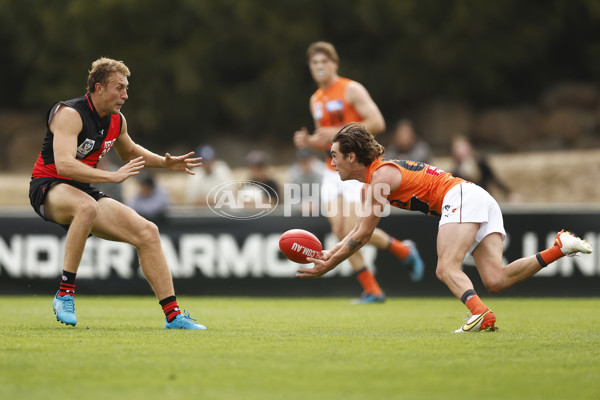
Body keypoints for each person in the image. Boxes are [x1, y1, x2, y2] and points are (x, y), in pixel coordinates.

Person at [296, 123, 593, 332]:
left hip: (461, 198)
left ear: (351, 156)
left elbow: (361, 235)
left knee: (445, 268)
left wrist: (328, 264)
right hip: (475, 197)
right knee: (496, 280)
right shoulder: (376, 180)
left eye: (334, 155)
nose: (331, 163)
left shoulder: (380, 178)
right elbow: (360, 231)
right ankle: (559, 248)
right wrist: (327, 254)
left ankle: (481, 315)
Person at [29, 57, 205, 330]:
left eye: (126, 88)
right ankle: (64, 293)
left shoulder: (116, 120)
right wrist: (111, 177)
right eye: (119, 88)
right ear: (98, 87)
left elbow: (130, 151)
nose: (125, 94)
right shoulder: (69, 114)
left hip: (81, 188)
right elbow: (64, 164)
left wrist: (165, 162)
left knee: (148, 232)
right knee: (86, 207)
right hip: (48, 185)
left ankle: (174, 316)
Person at [293, 41, 424, 304]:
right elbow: (329, 143)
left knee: (355, 228)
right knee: (341, 231)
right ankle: (372, 289)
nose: (319, 67)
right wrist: (309, 142)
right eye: (314, 63)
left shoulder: (351, 89)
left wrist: (338, 131)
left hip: (357, 168)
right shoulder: (315, 100)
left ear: (334, 64)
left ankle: (402, 250)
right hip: (333, 172)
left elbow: (377, 122)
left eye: (324, 62)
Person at [450, 135, 517, 202]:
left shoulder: (481, 164)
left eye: (463, 148)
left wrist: (509, 194)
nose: (460, 151)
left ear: (469, 148)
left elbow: (494, 180)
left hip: (484, 200)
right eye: (457, 149)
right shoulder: (455, 174)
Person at [287, 148, 325, 215]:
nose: (305, 164)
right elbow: (292, 200)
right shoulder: (294, 175)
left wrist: (316, 205)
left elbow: (325, 196)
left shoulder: (321, 172)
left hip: (320, 211)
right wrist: (302, 206)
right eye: (302, 161)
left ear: (312, 160)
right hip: (301, 212)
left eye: (307, 160)